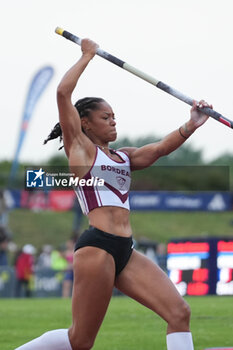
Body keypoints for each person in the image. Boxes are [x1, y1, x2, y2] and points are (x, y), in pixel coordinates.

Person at [15, 38, 212, 350]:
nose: (113, 121)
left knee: (179, 312)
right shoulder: (80, 149)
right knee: (80, 341)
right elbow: (63, 93)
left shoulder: (124, 157)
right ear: (85, 124)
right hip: (98, 249)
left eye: (114, 116)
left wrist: (192, 124)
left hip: (126, 249)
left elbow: (159, 149)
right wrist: (86, 56)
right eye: (106, 117)